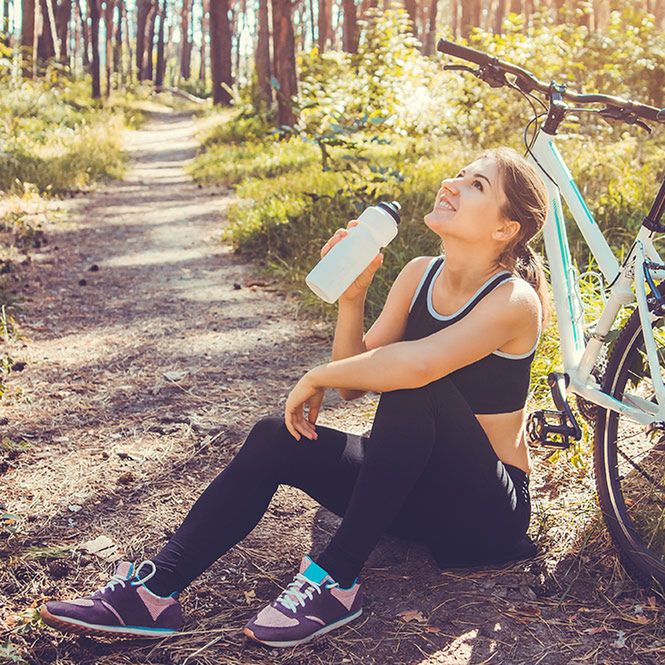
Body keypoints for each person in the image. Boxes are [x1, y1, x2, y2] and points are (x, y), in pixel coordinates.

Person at [39, 146, 548, 648]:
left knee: (416, 389)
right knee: (273, 437)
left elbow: (412, 368)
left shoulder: (512, 300)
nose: (452, 184)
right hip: (411, 497)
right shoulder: (418, 274)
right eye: (459, 173)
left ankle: (337, 580)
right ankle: (152, 594)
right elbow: (355, 383)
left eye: (476, 184)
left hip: (483, 513)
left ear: (506, 229)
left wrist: (316, 375)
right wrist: (353, 296)